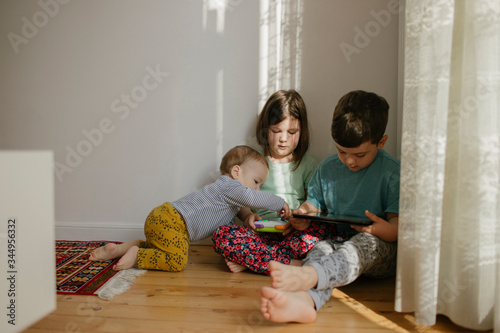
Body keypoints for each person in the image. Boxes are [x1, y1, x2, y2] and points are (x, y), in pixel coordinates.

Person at [259, 90, 400, 323]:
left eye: (359, 154)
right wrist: (303, 212)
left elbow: (398, 227)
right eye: (341, 151)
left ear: (381, 142)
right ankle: (306, 302)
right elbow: (314, 203)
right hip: (338, 242)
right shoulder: (327, 167)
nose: (349, 160)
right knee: (321, 249)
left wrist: (379, 230)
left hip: (380, 248)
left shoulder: (392, 171)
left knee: (362, 244)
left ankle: (309, 275)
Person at [89, 145, 291, 272]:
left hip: (164, 218)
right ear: (236, 171)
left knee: (162, 247)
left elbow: (241, 207)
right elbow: (250, 196)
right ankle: (137, 256)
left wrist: (248, 214)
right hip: (172, 221)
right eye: (256, 181)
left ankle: (119, 249)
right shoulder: (229, 186)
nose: (257, 188)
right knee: (176, 261)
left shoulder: (229, 197)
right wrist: (278, 202)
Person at [212, 90, 335, 275]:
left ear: (302, 132)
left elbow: (316, 204)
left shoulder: (308, 164)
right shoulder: (254, 161)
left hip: (292, 235)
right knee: (222, 234)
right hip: (259, 235)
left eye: (292, 132)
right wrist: (247, 217)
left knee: (325, 231)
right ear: (265, 129)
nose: (283, 138)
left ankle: (254, 260)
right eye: (276, 131)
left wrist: (303, 219)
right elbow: (236, 195)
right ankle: (289, 264)